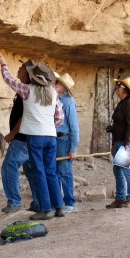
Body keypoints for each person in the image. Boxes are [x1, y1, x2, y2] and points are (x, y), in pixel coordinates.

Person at [0, 52, 65, 220]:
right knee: (50, 172)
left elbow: (9, 80)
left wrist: (3, 64)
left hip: (35, 137)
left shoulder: (27, 90)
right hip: (51, 137)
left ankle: (45, 209)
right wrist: (49, 126)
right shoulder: (52, 92)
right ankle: (59, 207)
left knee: (39, 171)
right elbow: (59, 117)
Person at [0, 60, 36, 213]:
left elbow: (25, 117)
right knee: (31, 171)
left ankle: (14, 202)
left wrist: (12, 134)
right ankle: (39, 201)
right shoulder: (34, 90)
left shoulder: (26, 90)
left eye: (21, 67)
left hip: (21, 139)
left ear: (27, 73)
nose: (19, 69)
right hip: (32, 138)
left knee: (9, 167)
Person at [106, 76, 130, 209]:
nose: (117, 88)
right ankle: (120, 198)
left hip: (127, 141)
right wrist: (114, 144)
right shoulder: (122, 103)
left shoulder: (129, 104)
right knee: (118, 169)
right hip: (119, 141)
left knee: (126, 169)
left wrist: (126, 144)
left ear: (125, 90)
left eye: (119, 86)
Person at [54, 72, 80, 213]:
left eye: (57, 83)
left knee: (65, 171)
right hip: (55, 138)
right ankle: (58, 202)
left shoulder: (68, 102)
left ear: (62, 88)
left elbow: (74, 126)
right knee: (55, 171)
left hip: (64, 139)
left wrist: (73, 148)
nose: (54, 85)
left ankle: (69, 202)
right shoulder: (56, 98)